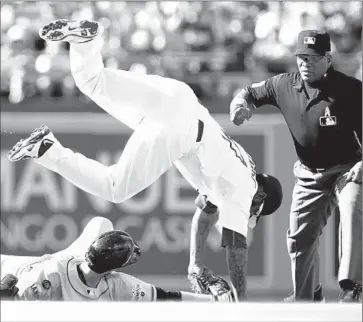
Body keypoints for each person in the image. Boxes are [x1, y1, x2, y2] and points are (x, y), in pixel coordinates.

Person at [8, 19, 283, 301]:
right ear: (260, 196)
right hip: (180, 129)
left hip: (178, 96)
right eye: (254, 210)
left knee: (93, 80)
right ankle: (46, 149)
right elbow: (236, 246)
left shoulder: (234, 170)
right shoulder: (247, 189)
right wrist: (240, 300)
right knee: (115, 188)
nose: (249, 211)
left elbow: (206, 215)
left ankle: (84, 41)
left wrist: (195, 262)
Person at [229, 29, 362, 302]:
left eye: (312, 58)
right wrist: (239, 105)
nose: (305, 63)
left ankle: (353, 287)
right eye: (301, 56)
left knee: (351, 206)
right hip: (309, 175)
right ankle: (308, 299)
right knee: (299, 240)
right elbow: (247, 93)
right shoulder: (283, 85)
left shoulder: (349, 89)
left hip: (347, 169)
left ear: (327, 58)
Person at [0, 217, 234, 302]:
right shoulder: (116, 284)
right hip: (15, 275)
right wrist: (215, 302)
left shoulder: (111, 280)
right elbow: (167, 296)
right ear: (113, 269)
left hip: (60, 261)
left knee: (102, 223)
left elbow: (163, 296)